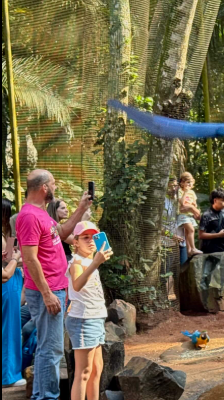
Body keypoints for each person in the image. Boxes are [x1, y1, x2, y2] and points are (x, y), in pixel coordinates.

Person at [17, 169, 92, 400]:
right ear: (44, 188)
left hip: (54, 288)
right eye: (53, 183)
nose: (55, 187)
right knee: (51, 349)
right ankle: (48, 396)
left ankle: (41, 395)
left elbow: (61, 231)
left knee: (47, 348)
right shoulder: (29, 216)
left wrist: (81, 208)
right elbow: (30, 259)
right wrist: (47, 293)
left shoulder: (41, 213)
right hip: (47, 291)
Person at [66, 221, 113, 400]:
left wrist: (95, 262)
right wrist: (95, 263)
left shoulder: (88, 261)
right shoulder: (76, 262)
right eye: (85, 237)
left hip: (95, 317)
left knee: (96, 369)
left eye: (93, 237)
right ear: (75, 242)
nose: (91, 241)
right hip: (83, 320)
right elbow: (77, 285)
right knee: (83, 372)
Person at [3, 198, 26, 388]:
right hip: (8, 284)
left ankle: (11, 371)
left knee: (12, 328)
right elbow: (5, 272)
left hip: (14, 282)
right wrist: (17, 257)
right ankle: (8, 375)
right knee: (9, 330)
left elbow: (9, 258)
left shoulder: (6, 234)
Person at [198, 188, 224, 254]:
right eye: (223, 200)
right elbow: (201, 235)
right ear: (215, 200)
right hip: (211, 251)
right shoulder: (206, 215)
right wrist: (218, 235)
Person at [176, 172, 203, 257]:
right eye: (187, 182)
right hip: (183, 215)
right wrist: (185, 192)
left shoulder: (192, 192)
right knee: (191, 230)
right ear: (182, 183)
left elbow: (194, 204)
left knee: (188, 233)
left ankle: (189, 250)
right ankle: (193, 248)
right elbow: (182, 203)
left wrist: (193, 206)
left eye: (190, 182)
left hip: (190, 215)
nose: (189, 184)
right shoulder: (180, 191)